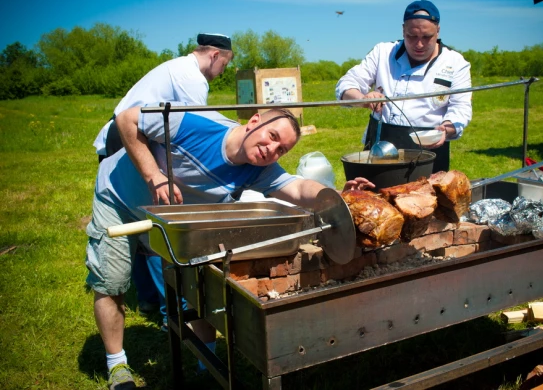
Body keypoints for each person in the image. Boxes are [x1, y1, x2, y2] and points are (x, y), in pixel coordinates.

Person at [85, 104, 372, 389]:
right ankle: (117, 365)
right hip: (120, 199)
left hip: (177, 217)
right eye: (272, 136)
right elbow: (126, 120)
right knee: (112, 281)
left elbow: (297, 189)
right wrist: (154, 175)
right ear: (255, 120)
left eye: (281, 149)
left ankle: (205, 365)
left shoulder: (259, 169)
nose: (272, 150)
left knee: (197, 285)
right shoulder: (195, 126)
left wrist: (335, 196)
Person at [92, 33, 234, 329]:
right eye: (226, 63)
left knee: (138, 223)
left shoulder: (176, 67)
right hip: (130, 142)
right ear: (215, 55)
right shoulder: (191, 77)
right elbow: (201, 127)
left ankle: (147, 299)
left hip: (123, 140)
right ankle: (172, 309)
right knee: (158, 224)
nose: (224, 71)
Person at [335, 0, 472, 172]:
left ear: (438, 30)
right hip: (380, 147)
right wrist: (362, 98)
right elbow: (346, 85)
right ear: (403, 30)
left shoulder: (455, 62)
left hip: (430, 150)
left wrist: (446, 130)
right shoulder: (383, 53)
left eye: (426, 37)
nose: (419, 45)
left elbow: (461, 107)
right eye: (412, 36)